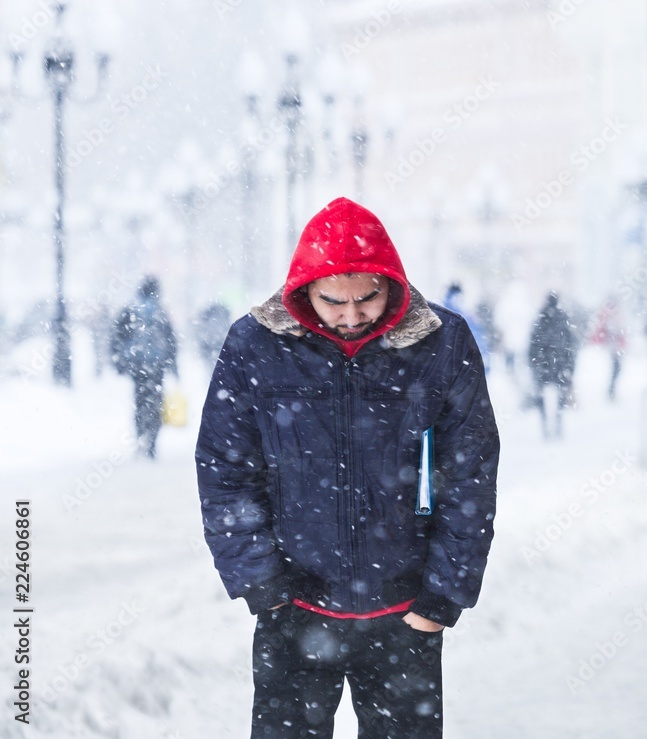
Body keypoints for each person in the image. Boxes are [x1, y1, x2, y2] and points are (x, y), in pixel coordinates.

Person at [195, 198, 500, 738]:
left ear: (392, 283)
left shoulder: (442, 342)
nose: (354, 314)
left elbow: (470, 472)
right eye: (334, 300)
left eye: (368, 298)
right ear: (303, 291)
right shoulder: (255, 344)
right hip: (295, 610)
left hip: (405, 614)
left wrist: (441, 598)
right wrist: (264, 588)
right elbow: (225, 471)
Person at [110, 276, 178, 459]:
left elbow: (117, 336)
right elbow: (171, 340)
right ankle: (152, 443)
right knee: (155, 403)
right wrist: (174, 367)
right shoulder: (160, 312)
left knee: (139, 401)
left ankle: (140, 435)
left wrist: (119, 363)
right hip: (157, 366)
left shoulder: (131, 309)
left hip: (137, 365)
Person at [527, 292, 578, 438]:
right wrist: (570, 367)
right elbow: (570, 346)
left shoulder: (540, 319)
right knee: (560, 398)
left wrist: (533, 364)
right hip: (559, 365)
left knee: (541, 397)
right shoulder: (563, 320)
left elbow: (532, 345)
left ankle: (545, 426)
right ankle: (557, 424)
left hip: (542, 365)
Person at [589, 296, 626, 400]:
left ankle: (611, 390)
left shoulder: (609, 316)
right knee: (616, 369)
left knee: (616, 369)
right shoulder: (608, 316)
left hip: (613, 348)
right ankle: (611, 390)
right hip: (612, 348)